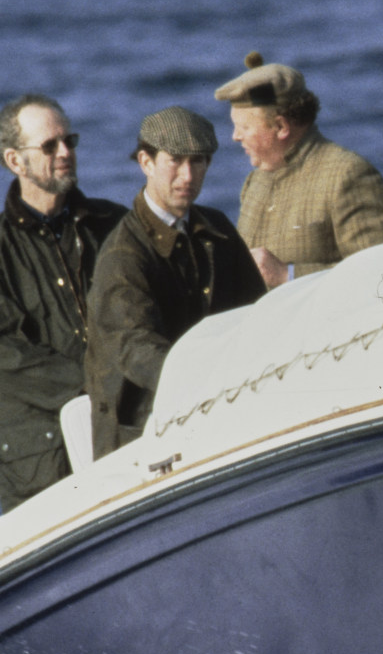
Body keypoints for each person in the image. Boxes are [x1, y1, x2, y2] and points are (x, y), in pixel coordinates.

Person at [0, 94, 127, 512]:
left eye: (70, 141)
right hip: (42, 466)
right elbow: (1, 354)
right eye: (50, 146)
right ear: (15, 161)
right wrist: (96, 384)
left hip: (124, 434)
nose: (65, 153)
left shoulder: (115, 225)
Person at [84, 107, 268, 459]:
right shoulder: (123, 256)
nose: (188, 175)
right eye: (176, 161)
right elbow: (137, 351)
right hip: (139, 440)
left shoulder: (217, 230)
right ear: (146, 162)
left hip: (217, 414)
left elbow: (257, 315)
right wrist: (211, 382)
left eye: (198, 161)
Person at [217, 52, 383, 285]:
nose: (235, 137)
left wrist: (287, 275)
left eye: (244, 127)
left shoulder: (348, 175)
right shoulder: (255, 182)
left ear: (281, 126)